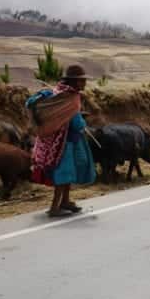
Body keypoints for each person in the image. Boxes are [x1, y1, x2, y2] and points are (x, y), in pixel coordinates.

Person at [28, 64, 97, 216]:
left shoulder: (57, 93)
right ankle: (54, 207)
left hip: (54, 141)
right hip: (64, 144)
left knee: (68, 175)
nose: (84, 83)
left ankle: (65, 201)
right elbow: (76, 124)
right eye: (82, 81)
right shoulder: (71, 99)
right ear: (75, 82)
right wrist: (82, 122)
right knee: (64, 174)